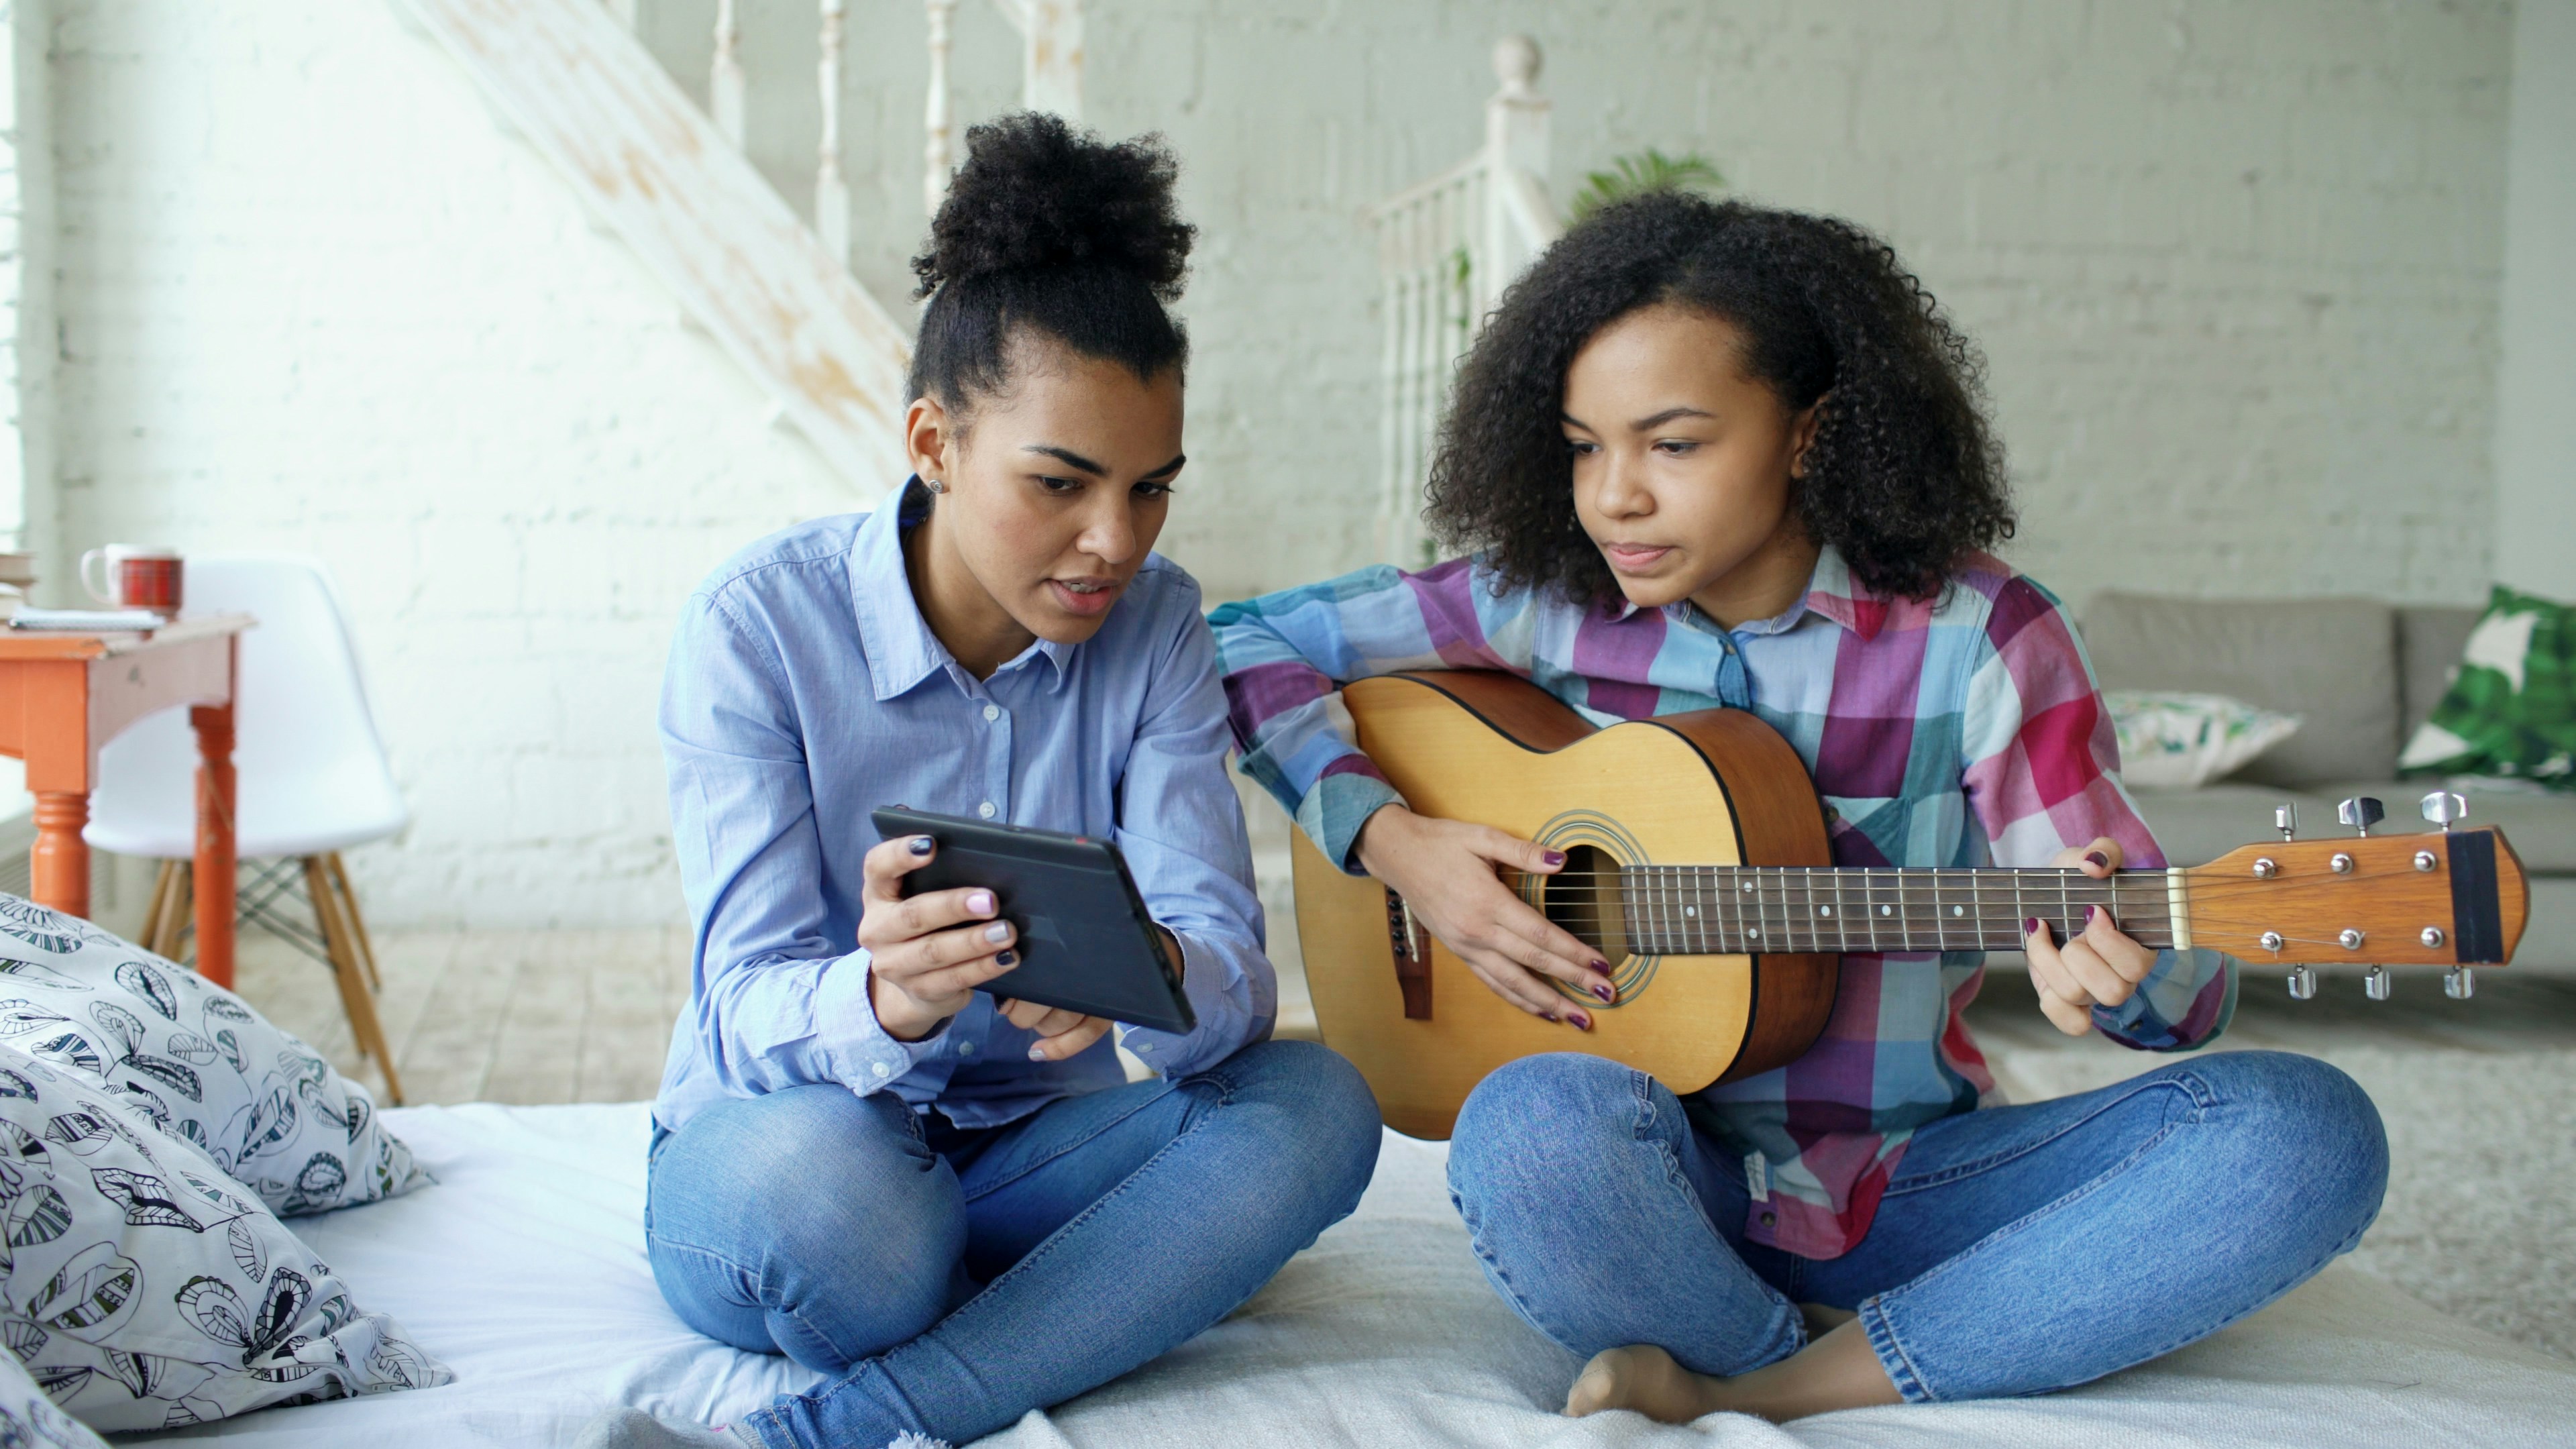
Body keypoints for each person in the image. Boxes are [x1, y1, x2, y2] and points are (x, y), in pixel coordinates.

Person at [1209, 192, 2385, 1421]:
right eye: (1582, 445)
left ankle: (1776, 1385)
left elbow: (2178, 994)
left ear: (1810, 433)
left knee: (2307, 1130)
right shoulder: (1545, 604)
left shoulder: (1981, 638)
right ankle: (1894, 1348)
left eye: (1673, 445)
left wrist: (2123, 970)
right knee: (1525, 1129)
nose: (1614, 497)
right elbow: (1233, 642)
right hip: (1659, 1176)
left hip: (1904, 1182)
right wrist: (1401, 848)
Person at [585, 115, 1381, 1449]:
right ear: (934, 443)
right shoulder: (757, 631)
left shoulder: (1161, 629)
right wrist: (886, 996)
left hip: (1032, 1167)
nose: (1112, 542)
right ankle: (1095, 1296)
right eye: (1060, 484)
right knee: (839, 1219)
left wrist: (1155, 974)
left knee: (1316, 1106)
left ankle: (859, 1415)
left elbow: (1229, 977)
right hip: (799, 1152)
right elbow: (740, 1012)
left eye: (1151, 491)